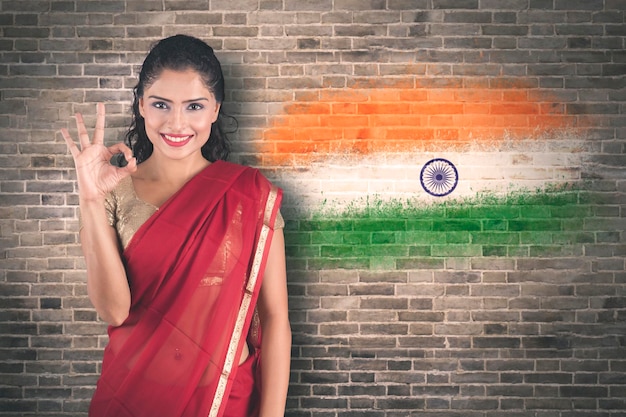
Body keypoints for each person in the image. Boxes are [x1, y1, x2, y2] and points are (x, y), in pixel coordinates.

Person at [60, 34, 291, 417]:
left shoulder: (250, 195)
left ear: (215, 110)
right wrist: (90, 199)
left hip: (224, 400)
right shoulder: (114, 194)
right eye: (161, 105)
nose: (176, 123)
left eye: (194, 106)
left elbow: (275, 318)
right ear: (142, 107)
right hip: (132, 397)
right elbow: (114, 311)